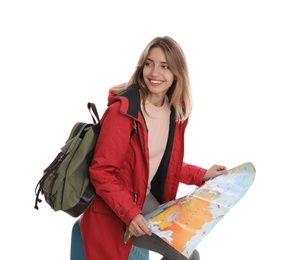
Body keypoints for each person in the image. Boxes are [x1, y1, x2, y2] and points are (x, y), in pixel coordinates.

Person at [79, 36, 228, 260]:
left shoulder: (173, 112)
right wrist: (130, 214)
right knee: (184, 255)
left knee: (187, 253)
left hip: (143, 197)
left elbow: (160, 163)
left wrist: (202, 174)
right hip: (114, 208)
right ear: (141, 67)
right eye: (149, 63)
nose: (154, 73)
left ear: (177, 73)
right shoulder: (124, 112)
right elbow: (101, 172)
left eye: (164, 66)